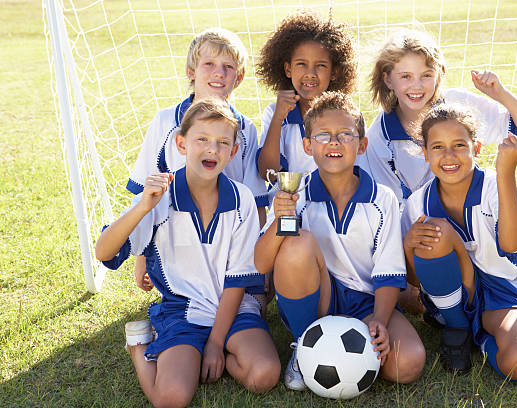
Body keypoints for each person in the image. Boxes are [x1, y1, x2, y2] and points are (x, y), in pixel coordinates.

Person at [96, 99, 280, 407]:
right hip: (183, 310)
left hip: (234, 308)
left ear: (233, 152)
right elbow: (104, 252)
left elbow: (237, 281)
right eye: (202, 139)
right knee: (172, 398)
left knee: (264, 374)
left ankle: (213, 351)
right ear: (181, 143)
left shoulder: (242, 200)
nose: (213, 149)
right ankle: (140, 348)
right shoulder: (158, 197)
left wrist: (215, 344)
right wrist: (142, 206)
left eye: (223, 143)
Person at [359, 29, 517, 314]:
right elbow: (390, 210)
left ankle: (478, 293)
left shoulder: (458, 106)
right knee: (407, 297)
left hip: (476, 224)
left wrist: (500, 94)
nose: (416, 85)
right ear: (387, 78)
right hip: (430, 234)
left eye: (425, 74)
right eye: (405, 76)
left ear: (440, 73)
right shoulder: (381, 134)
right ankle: (447, 305)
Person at [255, 91, 426, 391]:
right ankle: (304, 345)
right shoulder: (297, 195)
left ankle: (354, 356)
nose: (334, 142)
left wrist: (380, 320)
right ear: (308, 146)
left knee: (409, 362)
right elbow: (261, 262)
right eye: (323, 135)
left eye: (345, 134)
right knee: (297, 243)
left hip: (367, 301)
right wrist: (282, 220)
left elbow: (388, 273)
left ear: (361, 145)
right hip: (316, 296)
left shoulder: (382, 200)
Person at [127, 28, 268, 306]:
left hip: (230, 243)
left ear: (238, 79)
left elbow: (256, 200)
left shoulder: (246, 129)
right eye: (209, 64)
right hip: (178, 247)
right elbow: (145, 192)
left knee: (248, 310)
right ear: (191, 71)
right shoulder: (165, 121)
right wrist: (141, 258)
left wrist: (261, 265)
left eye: (228, 67)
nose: (219, 73)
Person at [402, 104, 517, 379]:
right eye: (438, 147)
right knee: (435, 232)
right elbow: (415, 282)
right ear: (425, 153)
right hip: (452, 294)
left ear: (477, 148)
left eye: (459, 145)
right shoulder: (417, 203)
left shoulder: (492, 184)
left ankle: (480, 339)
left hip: (502, 290)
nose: (449, 155)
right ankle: (458, 327)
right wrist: (409, 246)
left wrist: (507, 173)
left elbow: (512, 246)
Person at [255, 9, 357, 179]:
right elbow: (268, 174)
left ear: (334, 72)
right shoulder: (274, 113)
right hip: (287, 203)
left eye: (321, 65)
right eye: (301, 64)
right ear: (288, 69)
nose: (310, 73)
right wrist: (278, 118)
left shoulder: (347, 115)